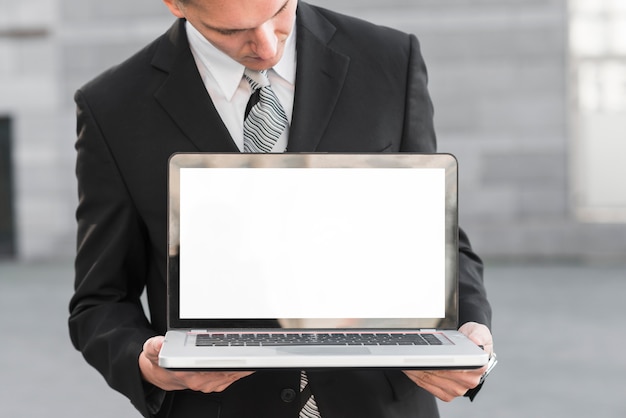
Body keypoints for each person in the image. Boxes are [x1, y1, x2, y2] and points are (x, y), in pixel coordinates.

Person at [68, 0, 494, 417]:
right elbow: (100, 301)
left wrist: (470, 334)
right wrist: (147, 367)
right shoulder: (113, 108)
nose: (267, 47)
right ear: (175, 5)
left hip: (381, 402)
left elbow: (437, 239)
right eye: (231, 31)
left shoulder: (390, 60)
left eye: (278, 13)